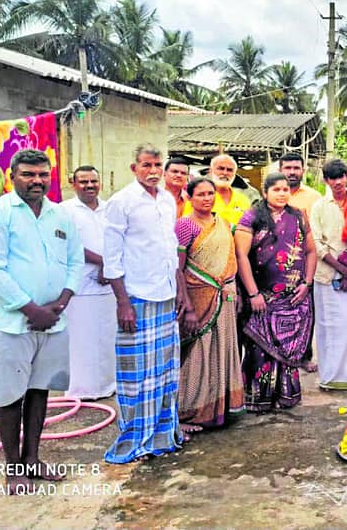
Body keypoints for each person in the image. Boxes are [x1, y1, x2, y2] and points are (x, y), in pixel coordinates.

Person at [0, 148, 83, 494]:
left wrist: (61, 302)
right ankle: (14, 468)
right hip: (12, 325)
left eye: (42, 174)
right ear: (12, 176)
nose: (37, 181)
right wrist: (31, 309)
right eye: (28, 175)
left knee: (40, 391)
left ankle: (33, 458)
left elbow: (75, 262)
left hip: (54, 321)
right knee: (10, 396)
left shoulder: (61, 216)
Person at [103, 144, 183, 464]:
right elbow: (112, 257)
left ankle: (162, 434)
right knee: (137, 373)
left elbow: (170, 252)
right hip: (136, 296)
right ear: (134, 167)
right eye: (146, 164)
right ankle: (135, 437)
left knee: (164, 370)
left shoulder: (167, 200)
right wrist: (123, 302)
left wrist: (178, 294)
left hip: (164, 295)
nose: (153, 170)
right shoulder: (121, 202)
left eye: (157, 164)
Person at [235, 172, 317, 412]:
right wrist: (252, 294)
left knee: (289, 350)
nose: (282, 193)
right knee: (259, 349)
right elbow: (241, 256)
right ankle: (259, 399)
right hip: (262, 296)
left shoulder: (298, 216)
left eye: (285, 189)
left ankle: (286, 396)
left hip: (294, 297)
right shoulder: (252, 217)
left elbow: (311, 252)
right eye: (276, 189)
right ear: (265, 192)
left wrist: (307, 283)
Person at [174, 177, 245, 432]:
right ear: (189, 197)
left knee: (221, 351)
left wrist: (234, 294)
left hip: (225, 298)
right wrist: (187, 307)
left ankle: (218, 408)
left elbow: (231, 264)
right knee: (197, 354)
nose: (207, 198)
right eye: (201, 194)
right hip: (197, 299)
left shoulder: (223, 224)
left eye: (210, 193)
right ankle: (187, 412)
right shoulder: (184, 226)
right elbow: (177, 270)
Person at [60, 165, 116, 400]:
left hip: (110, 285)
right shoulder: (64, 211)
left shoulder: (110, 209)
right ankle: (81, 391)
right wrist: (103, 262)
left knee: (107, 337)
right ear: (74, 184)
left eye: (93, 181)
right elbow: (68, 245)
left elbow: (118, 239)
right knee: (82, 339)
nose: (89, 186)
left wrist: (111, 266)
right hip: (80, 285)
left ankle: (108, 385)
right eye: (83, 182)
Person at [310, 159, 347, 390]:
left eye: (342, 176)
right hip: (325, 275)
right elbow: (316, 243)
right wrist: (342, 269)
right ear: (326, 181)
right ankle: (331, 377)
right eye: (333, 178)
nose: (339, 181)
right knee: (327, 326)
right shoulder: (319, 206)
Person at [278, 152, 322, 372]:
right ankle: (280, 352)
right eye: (288, 168)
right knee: (280, 309)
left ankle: (304, 355)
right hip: (277, 265)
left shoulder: (314, 197)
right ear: (281, 170)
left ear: (303, 170)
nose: (292, 172)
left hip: (305, 263)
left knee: (305, 311)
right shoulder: (272, 194)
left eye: (296, 168)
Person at [183, 153, 250, 229]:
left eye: (229, 170)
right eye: (221, 168)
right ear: (211, 171)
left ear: (235, 173)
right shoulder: (198, 197)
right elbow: (187, 224)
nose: (225, 173)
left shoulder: (243, 200)